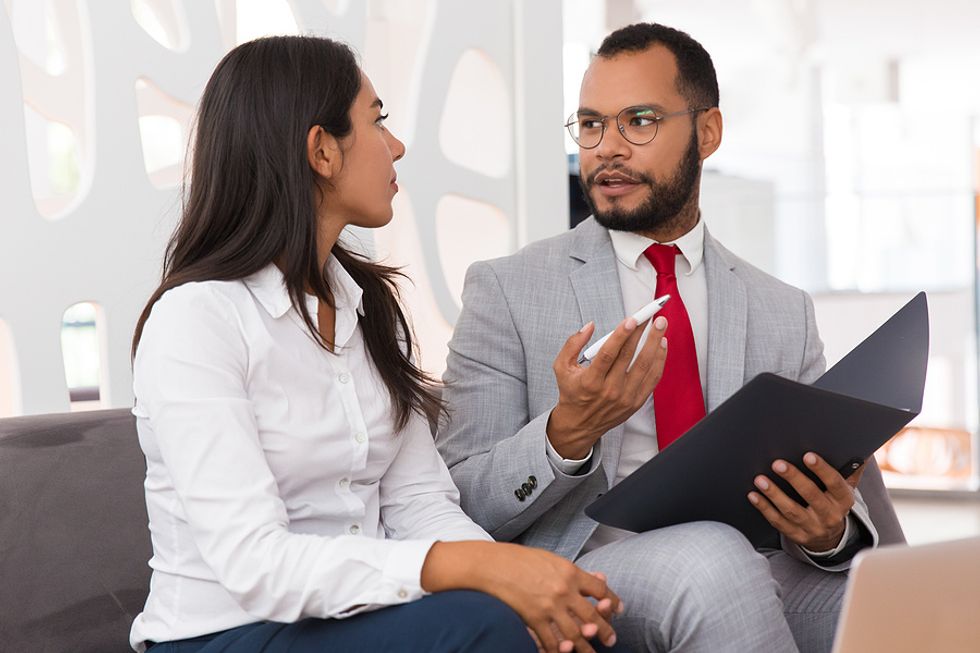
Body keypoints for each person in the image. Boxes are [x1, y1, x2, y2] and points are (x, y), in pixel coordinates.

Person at [128, 35, 628, 653]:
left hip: (353, 620)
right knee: (486, 626)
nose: (396, 145)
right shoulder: (196, 321)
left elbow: (421, 501)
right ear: (321, 151)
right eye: (377, 120)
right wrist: (478, 574)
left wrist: (528, 587)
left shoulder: (367, 309)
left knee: (579, 626)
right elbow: (257, 569)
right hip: (225, 634)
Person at [436, 23, 888, 653]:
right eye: (591, 125)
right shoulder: (507, 289)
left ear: (707, 132)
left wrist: (828, 530)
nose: (607, 148)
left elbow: (847, 505)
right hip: (591, 568)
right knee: (711, 559)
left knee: (910, 594)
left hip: (761, 564)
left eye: (638, 121)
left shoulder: (783, 309)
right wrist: (566, 433)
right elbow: (457, 501)